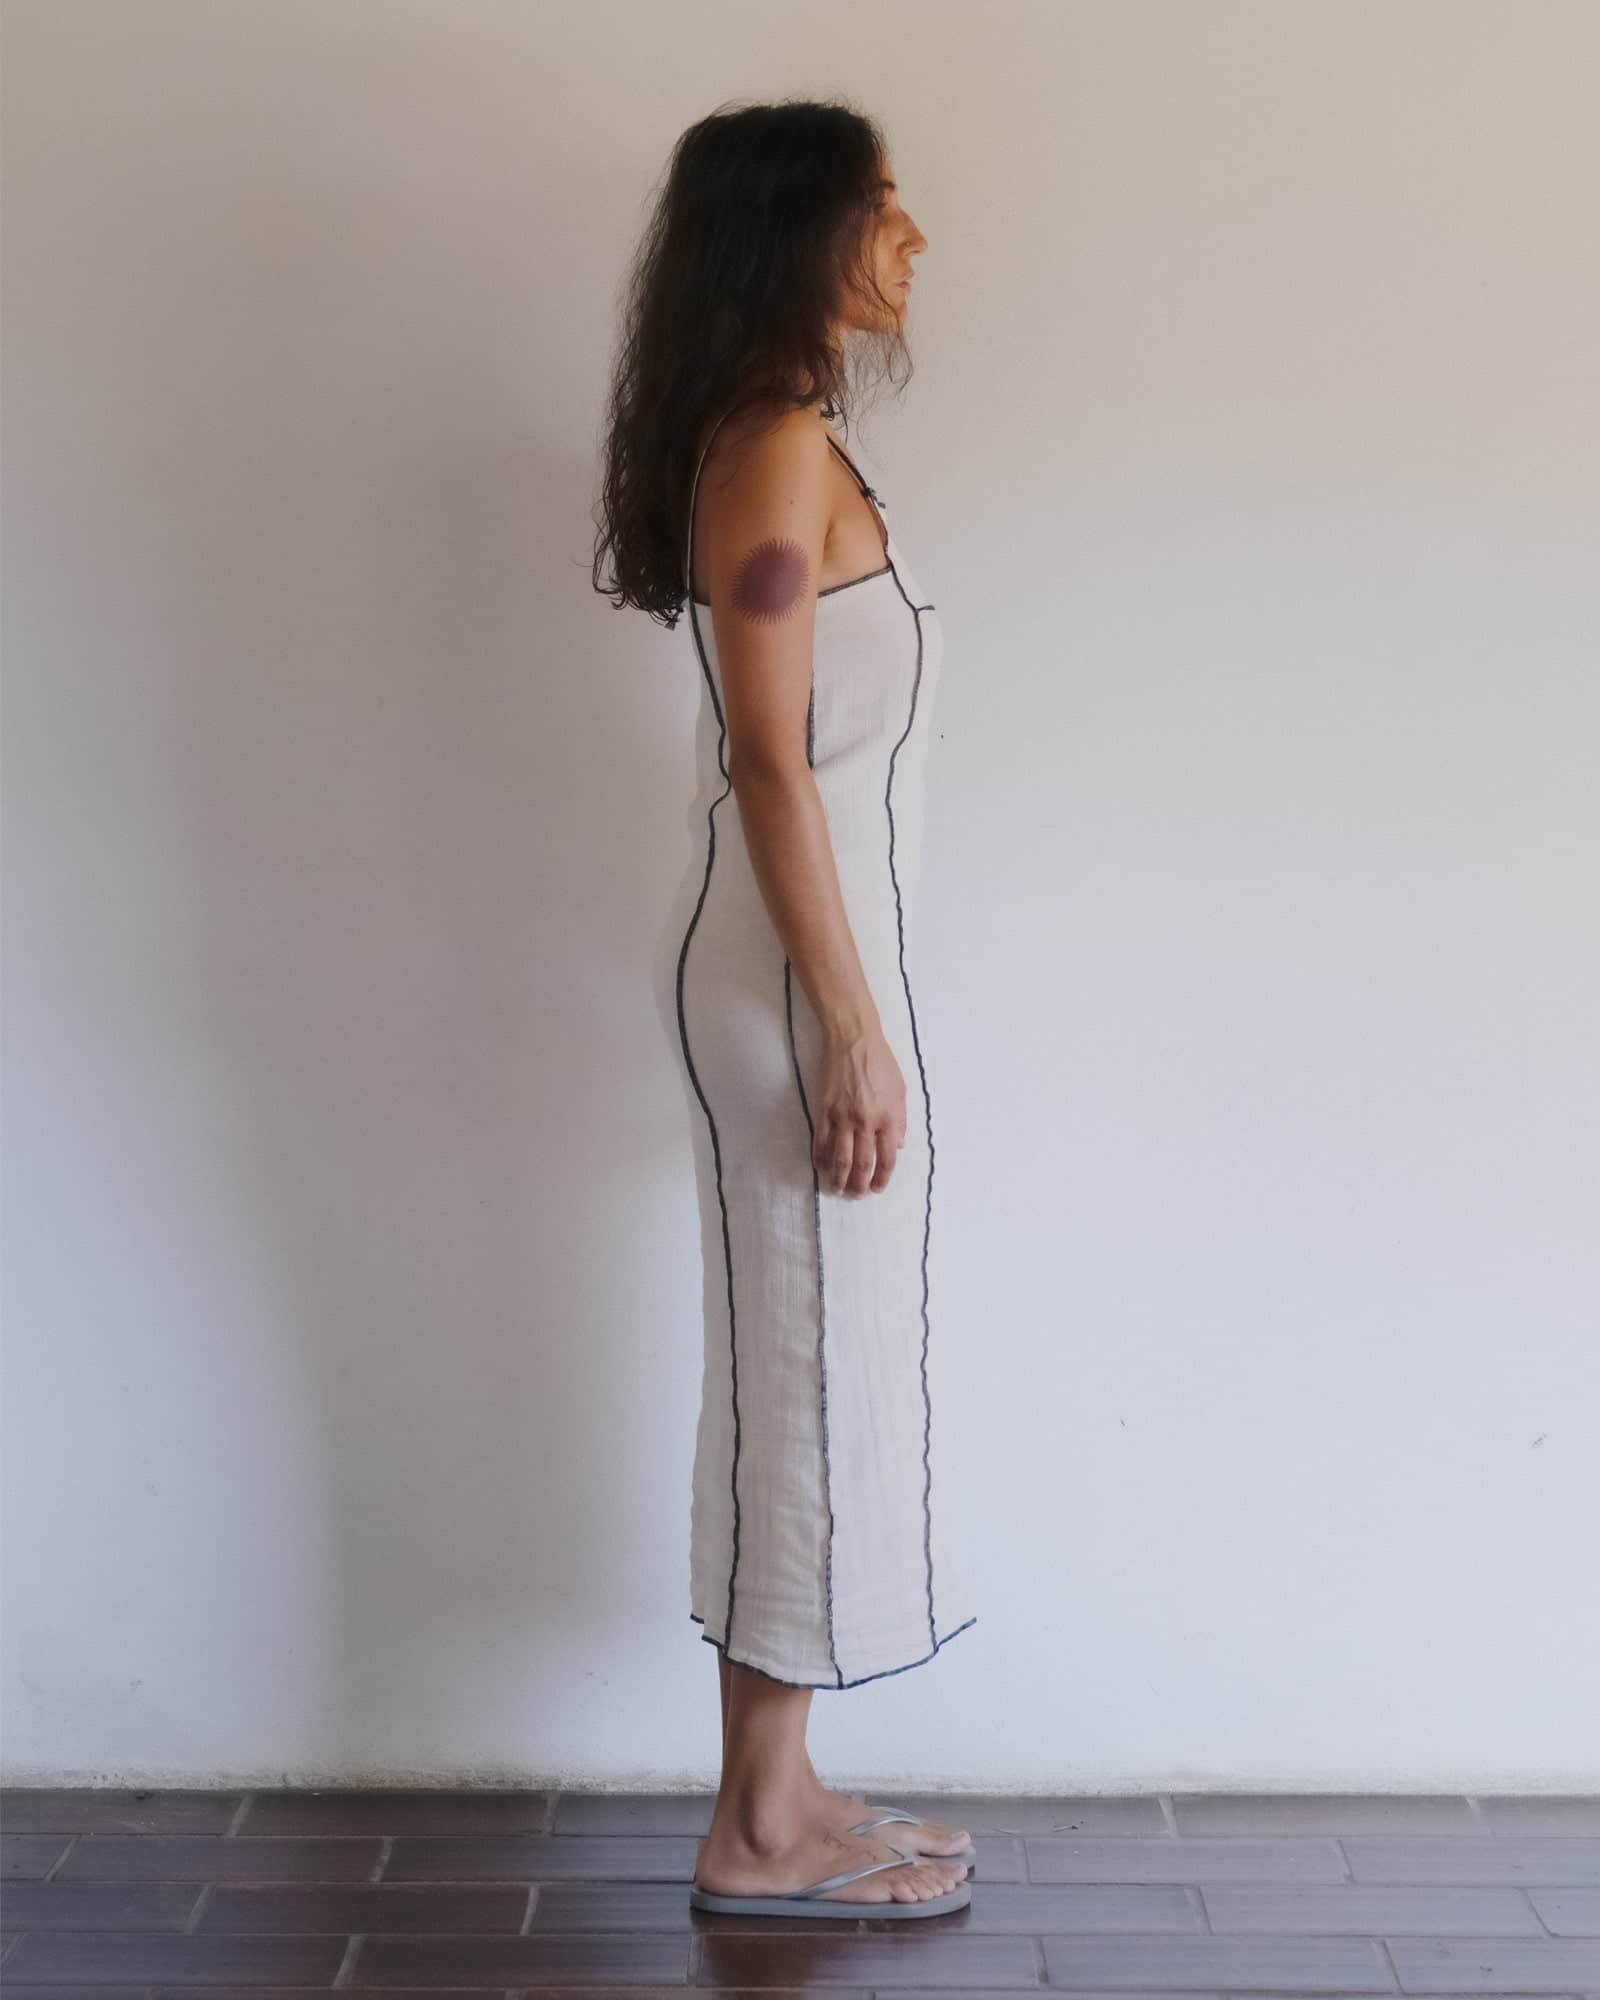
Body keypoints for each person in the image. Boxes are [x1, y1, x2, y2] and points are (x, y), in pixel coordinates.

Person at [592, 97, 976, 1920]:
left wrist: (858, 1005)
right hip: (789, 978)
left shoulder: (790, 441)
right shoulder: (770, 448)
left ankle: (787, 1783)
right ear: (796, 233)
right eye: (879, 204)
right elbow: (769, 757)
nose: (912, 235)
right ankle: (755, 1832)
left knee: (817, 1353)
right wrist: (848, 1025)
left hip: (816, 969)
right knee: (803, 1362)